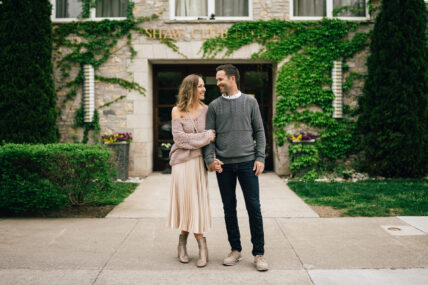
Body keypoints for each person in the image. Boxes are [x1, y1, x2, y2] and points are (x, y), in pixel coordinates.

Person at [203, 64, 269, 271]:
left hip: (248, 163)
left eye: (220, 78)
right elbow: (208, 136)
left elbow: (259, 131)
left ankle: (259, 253)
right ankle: (235, 249)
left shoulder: (250, 102)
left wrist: (260, 157)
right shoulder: (214, 106)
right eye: (217, 79)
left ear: (232, 79)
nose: (218, 82)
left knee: (254, 207)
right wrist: (210, 160)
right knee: (229, 209)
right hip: (224, 166)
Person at [168, 74, 216, 267]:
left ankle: (195, 243)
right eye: (201, 86)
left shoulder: (208, 110)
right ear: (191, 89)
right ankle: (191, 243)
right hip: (180, 164)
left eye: (204, 86)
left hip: (197, 164)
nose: (204, 89)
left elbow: (214, 137)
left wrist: (205, 140)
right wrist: (205, 137)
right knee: (187, 204)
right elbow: (179, 140)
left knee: (195, 204)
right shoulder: (176, 111)